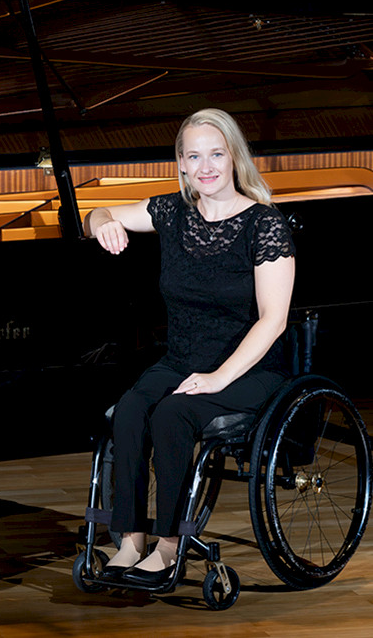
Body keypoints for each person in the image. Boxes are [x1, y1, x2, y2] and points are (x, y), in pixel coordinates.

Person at [85, 108, 296, 586]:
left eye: (216, 153)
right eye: (194, 155)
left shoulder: (265, 226)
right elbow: (91, 214)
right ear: (180, 163)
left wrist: (219, 378)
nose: (206, 166)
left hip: (250, 368)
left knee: (171, 415)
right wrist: (102, 221)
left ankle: (168, 545)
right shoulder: (171, 213)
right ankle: (130, 540)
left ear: (234, 157)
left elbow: (274, 320)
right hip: (181, 359)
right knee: (131, 410)